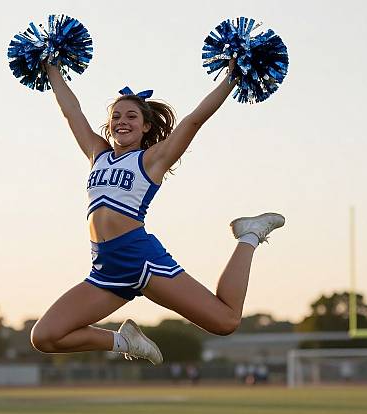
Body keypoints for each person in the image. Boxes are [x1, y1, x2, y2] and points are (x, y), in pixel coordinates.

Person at [30, 61, 285, 365]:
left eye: (131, 116)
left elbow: (193, 121)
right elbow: (72, 112)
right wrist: (51, 68)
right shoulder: (97, 154)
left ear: (146, 126)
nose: (122, 121)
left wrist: (232, 76)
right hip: (106, 269)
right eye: (116, 116)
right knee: (45, 336)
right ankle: (124, 341)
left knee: (226, 321)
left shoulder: (151, 159)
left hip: (141, 260)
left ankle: (250, 234)